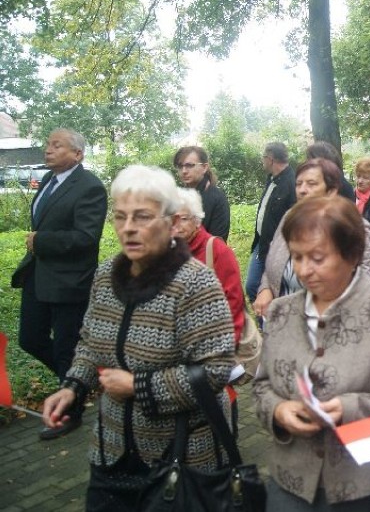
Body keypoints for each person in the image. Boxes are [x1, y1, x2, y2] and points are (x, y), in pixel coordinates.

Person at [41, 165, 235, 510]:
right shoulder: (105, 276)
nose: (128, 228)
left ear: (173, 223)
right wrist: (73, 386)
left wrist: (139, 385)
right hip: (111, 450)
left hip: (180, 460)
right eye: (120, 217)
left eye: (142, 217)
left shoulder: (196, 284)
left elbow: (216, 370)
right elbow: (89, 342)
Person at [253, 195, 370, 511]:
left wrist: (349, 408)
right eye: (297, 257)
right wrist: (277, 411)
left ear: (352, 254)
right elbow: (261, 387)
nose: (304, 270)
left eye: (317, 257)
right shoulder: (281, 312)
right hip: (289, 484)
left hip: (363, 487)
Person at [12, 129, 108, 440]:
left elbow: (85, 237)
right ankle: (77, 382)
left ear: (77, 155)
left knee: (67, 348)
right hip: (39, 277)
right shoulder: (48, 182)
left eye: (57, 145)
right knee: (29, 338)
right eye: (47, 144)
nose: (47, 150)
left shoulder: (90, 186)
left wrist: (42, 241)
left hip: (70, 282)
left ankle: (72, 411)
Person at [253, 159, 370, 318]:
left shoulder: (354, 227)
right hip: (286, 322)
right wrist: (266, 288)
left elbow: (365, 285)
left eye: (311, 184)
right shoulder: (289, 218)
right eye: (299, 184)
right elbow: (274, 258)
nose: (303, 190)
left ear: (331, 191)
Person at [173, 188, 245, 345]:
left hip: (215, 342)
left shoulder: (217, 251)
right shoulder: (165, 252)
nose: (176, 226)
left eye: (183, 219)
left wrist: (223, 348)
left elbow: (234, 303)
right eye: (172, 219)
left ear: (197, 220)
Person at [245, 142, 297, 302]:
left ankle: (272, 319)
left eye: (263, 157)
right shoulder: (271, 179)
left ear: (270, 159)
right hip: (261, 243)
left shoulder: (292, 183)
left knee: (259, 286)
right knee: (252, 286)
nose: (262, 161)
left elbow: (293, 221)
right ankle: (267, 321)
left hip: (278, 248)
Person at [173, 145, 230, 240]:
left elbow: (218, 241)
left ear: (204, 167)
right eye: (180, 166)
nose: (184, 171)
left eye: (189, 165)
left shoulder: (217, 198)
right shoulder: (179, 196)